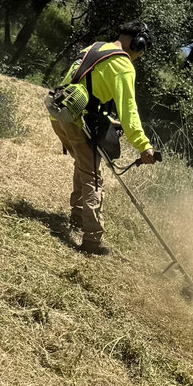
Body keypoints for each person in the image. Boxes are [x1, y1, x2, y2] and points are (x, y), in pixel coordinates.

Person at [48, 22, 159, 254]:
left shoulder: (95, 48)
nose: (139, 55)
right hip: (79, 122)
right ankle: (92, 241)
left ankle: (78, 217)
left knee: (84, 164)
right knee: (93, 178)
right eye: (141, 50)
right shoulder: (122, 64)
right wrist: (143, 146)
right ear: (137, 43)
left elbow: (86, 88)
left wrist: (109, 120)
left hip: (60, 115)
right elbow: (129, 111)